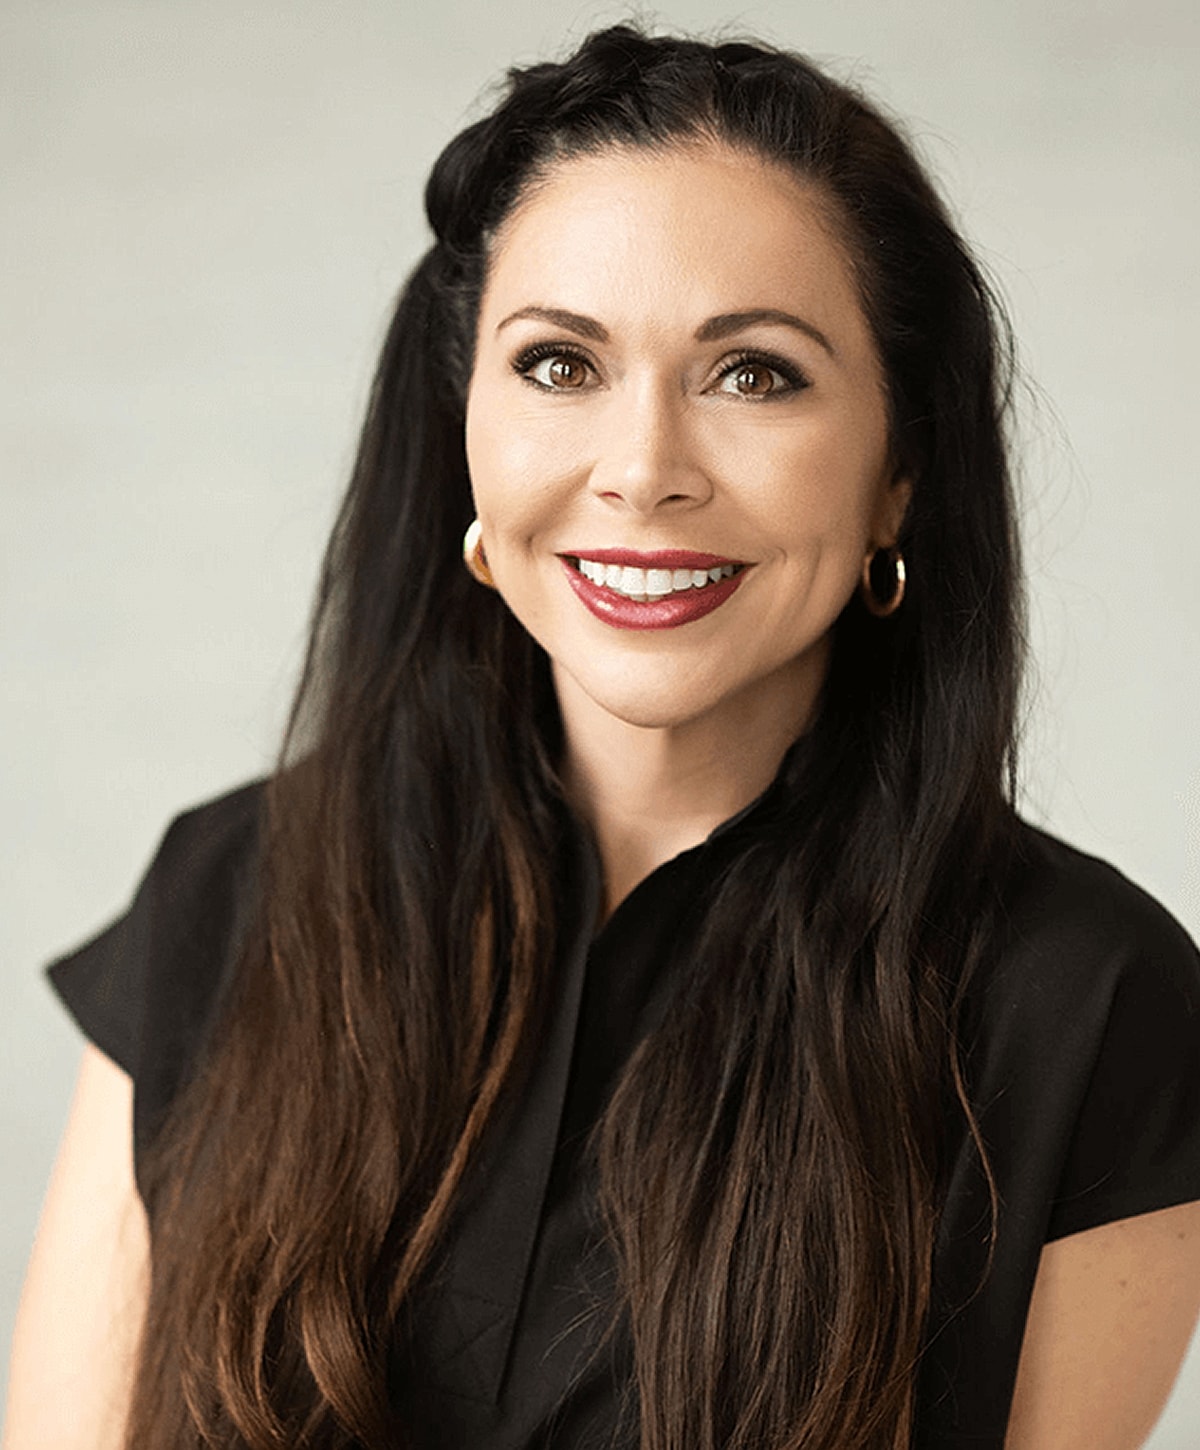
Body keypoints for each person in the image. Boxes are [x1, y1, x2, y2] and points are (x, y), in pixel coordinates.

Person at [6, 23, 1200, 1450]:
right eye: (559, 364)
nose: (641, 471)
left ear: (900, 474)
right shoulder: (222, 899)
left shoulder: (1091, 1005)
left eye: (753, 373)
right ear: (464, 425)